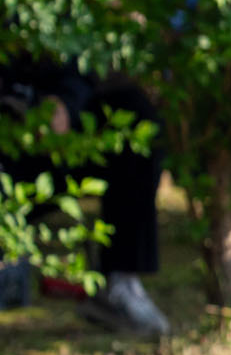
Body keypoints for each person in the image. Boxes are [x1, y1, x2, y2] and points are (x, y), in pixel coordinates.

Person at [0, 52, 170, 337]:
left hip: (49, 139)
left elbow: (78, 60)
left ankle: (119, 286)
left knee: (133, 115)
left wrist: (65, 103)